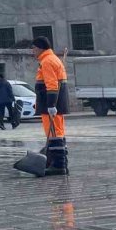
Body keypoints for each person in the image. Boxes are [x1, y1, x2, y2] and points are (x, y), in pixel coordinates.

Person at [32, 37, 69, 175]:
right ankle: (59, 163)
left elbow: (52, 85)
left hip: (51, 107)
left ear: (40, 48)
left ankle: (58, 166)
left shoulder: (47, 61)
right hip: (54, 106)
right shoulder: (53, 59)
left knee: (54, 135)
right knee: (58, 134)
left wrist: (51, 104)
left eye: (34, 48)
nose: (33, 51)